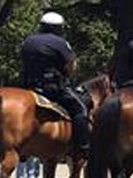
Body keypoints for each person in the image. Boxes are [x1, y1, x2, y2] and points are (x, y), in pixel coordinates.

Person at [21, 12, 90, 156]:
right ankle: (82, 147)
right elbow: (71, 66)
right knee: (80, 110)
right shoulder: (60, 42)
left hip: (28, 86)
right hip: (51, 88)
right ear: (58, 28)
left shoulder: (28, 40)